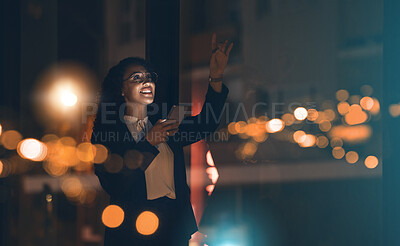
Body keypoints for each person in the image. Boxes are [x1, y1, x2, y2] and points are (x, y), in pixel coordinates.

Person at [91, 33, 233, 246]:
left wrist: (216, 77)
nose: (146, 81)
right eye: (136, 77)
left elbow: (206, 124)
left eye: (149, 77)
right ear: (121, 89)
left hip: (173, 229)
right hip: (133, 232)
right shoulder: (107, 133)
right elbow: (115, 185)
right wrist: (148, 142)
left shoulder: (165, 124)